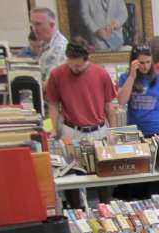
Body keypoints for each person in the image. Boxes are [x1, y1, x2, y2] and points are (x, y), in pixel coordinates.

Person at [46, 41, 117, 207]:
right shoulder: (57, 75)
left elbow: (109, 107)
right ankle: (75, 210)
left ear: (87, 59)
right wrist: (50, 129)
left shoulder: (101, 74)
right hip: (71, 129)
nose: (74, 69)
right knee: (70, 173)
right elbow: (53, 105)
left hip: (98, 129)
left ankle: (105, 208)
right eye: (71, 65)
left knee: (104, 173)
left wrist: (113, 132)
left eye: (78, 66)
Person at [117, 44, 159, 137]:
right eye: (141, 63)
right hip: (135, 132)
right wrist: (132, 77)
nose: (145, 66)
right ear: (134, 62)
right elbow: (121, 101)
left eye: (148, 62)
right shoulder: (125, 77)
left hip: (157, 130)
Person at [30, 7, 68, 83]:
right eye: (32, 24)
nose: (34, 29)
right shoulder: (45, 43)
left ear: (51, 25)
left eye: (38, 24)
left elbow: (51, 84)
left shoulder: (59, 48)